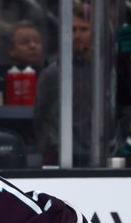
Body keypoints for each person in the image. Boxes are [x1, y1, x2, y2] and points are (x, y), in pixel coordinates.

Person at [33, 3, 98, 166]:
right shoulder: (53, 73)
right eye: (73, 29)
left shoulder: (106, 71)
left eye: (83, 29)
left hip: (101, 154)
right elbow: (40, 118)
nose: (77, 35)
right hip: (62, 156)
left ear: (94, 32)